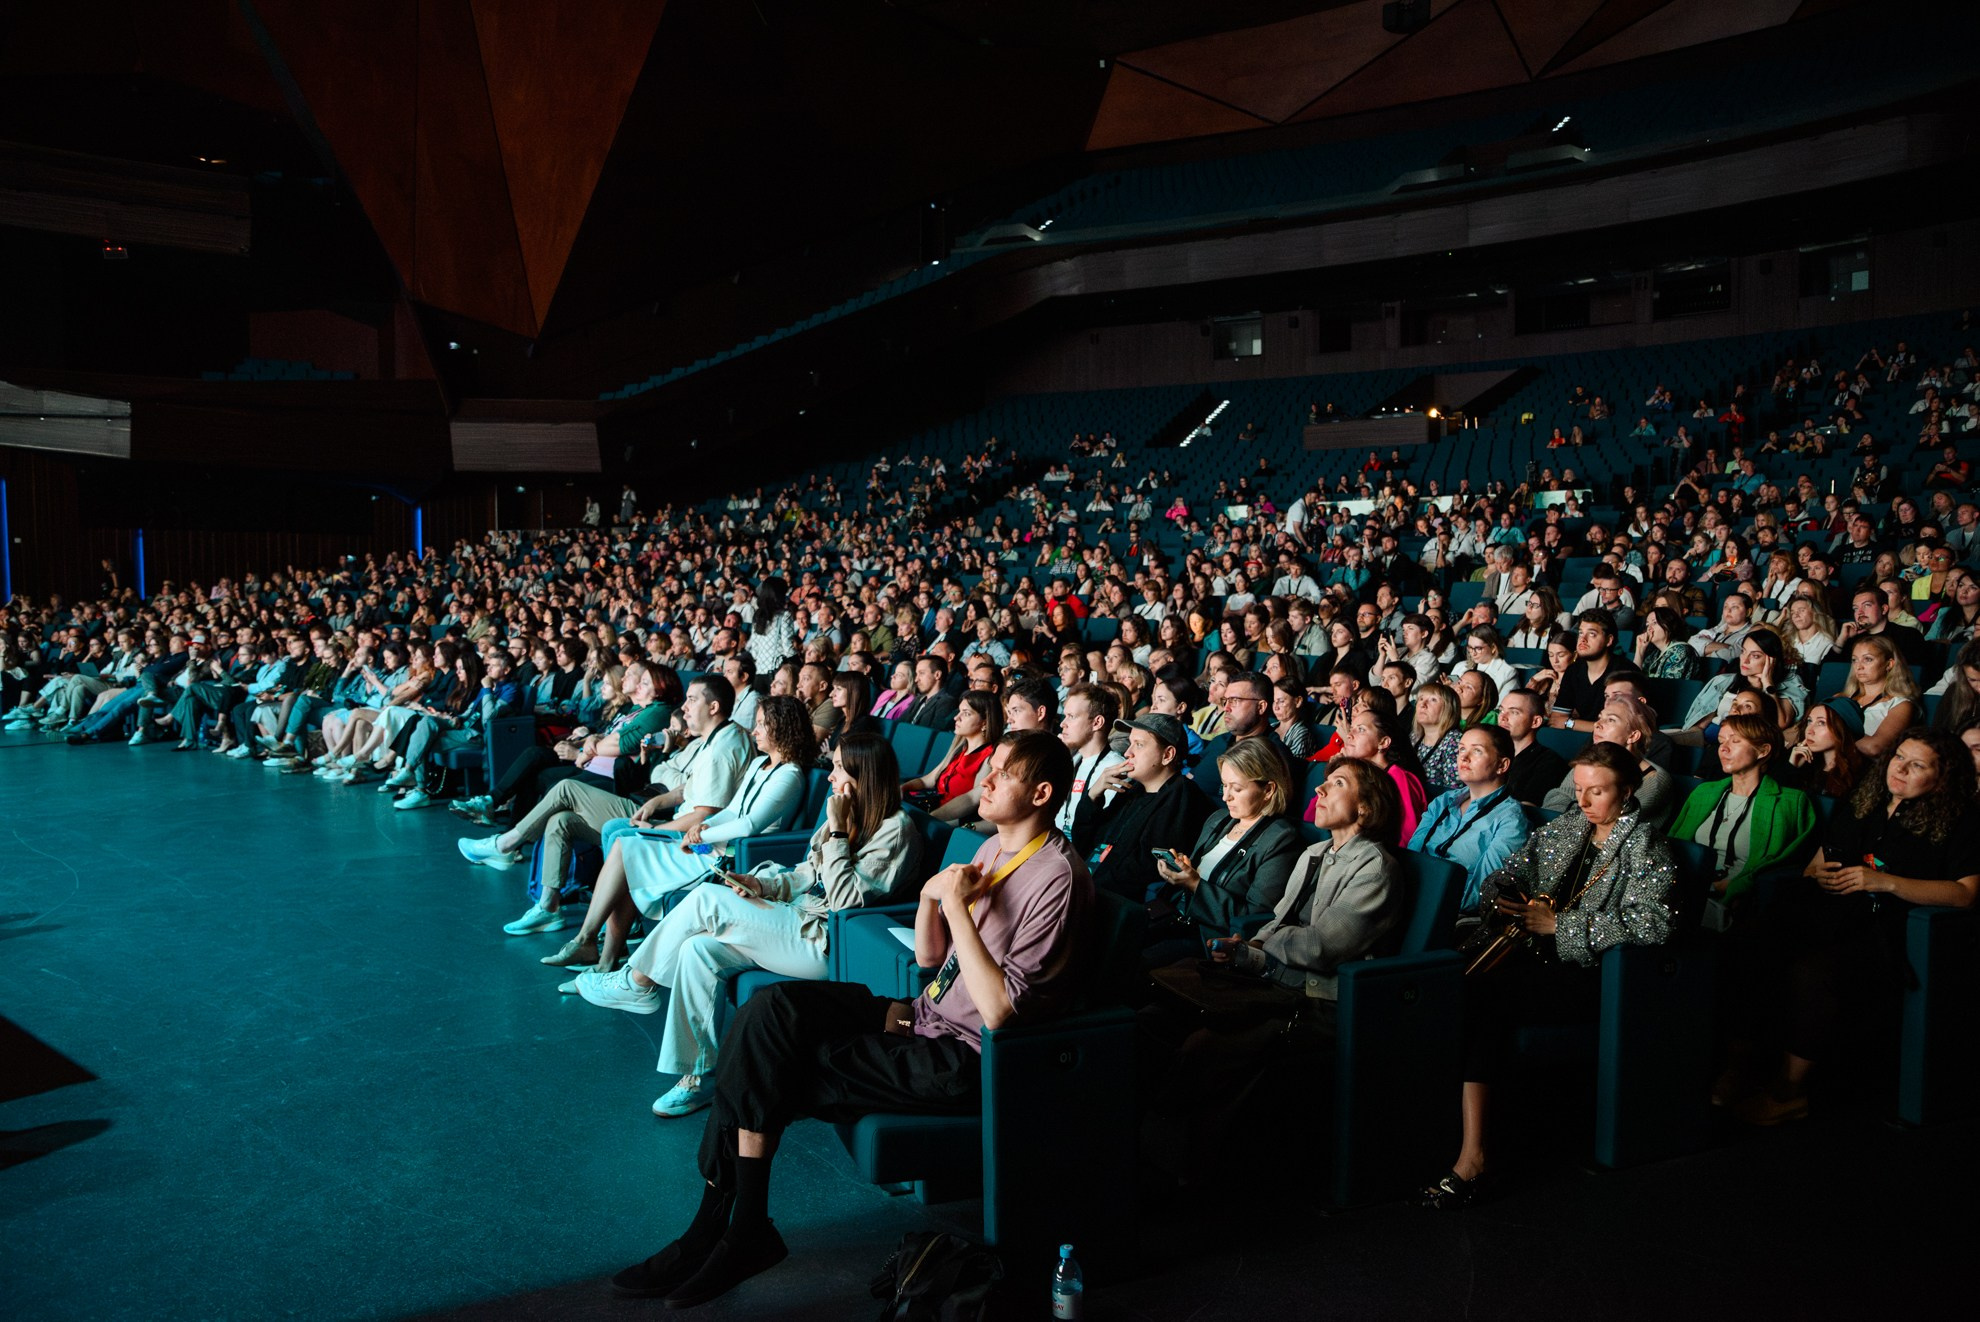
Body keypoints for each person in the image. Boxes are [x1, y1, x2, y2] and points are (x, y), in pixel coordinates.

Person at [604, 731, 1089, 1307]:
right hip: (920, 1015)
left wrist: (953, 903)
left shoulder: (1057, 877)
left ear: (1040, 793)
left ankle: (730, 1229)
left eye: (1002, 773)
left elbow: (1001, 1012)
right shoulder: (988, 850)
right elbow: (933, 960)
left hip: (964, 1059)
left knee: (769, 1061)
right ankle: (723, 1223)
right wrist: (934, 901)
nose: (985, 780)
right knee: (768, 1012)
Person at [570, 734, 921, 1118]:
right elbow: (807, 874)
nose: (831, 777)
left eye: (839, 768)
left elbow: (844, 902)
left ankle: (636, 981)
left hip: (828, 944)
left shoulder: (896, 830)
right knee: (696, 950)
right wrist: (762, 884)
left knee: (707, 899)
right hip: (796, 921)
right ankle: (697, 1077)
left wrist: (837, 832)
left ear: (863, 775)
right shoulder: (848, 812)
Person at [1418, 742, 1677, 1209]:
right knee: (1450, 986)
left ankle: (1473, 1156)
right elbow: (1508, 872)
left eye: (1597, 792)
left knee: (1484, 999)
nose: (1583, 801)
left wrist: (1563, 925)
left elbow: (1655, 922)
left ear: (1629, 790)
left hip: (1589, 974)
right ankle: (1451, 1134)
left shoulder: (1645, 844)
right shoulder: (1569, 826)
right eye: (1578, 789)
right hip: (1530, 956)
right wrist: (1510, 897)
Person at [1143, 757, 1404, 1182]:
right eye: (1322, 782)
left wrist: (1263, 946)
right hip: (1275, 978)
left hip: (1320, 997)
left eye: (1336, 784)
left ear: (1366, 808)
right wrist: (1246, 949)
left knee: (1203, 1046)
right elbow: (1277, 920)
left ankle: (1183, 1166)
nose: (1318, 790)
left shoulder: (1376, 867)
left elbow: (1321, 946)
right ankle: (1152, 1137)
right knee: (1158, 1013)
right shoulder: (1316, 852)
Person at [1730, 729, 1979, 1125]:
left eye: (1917, 766)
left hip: (1893, 928)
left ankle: (1788, 1092)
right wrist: (1818, 873)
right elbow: (1822, 855)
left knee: (1813, 972)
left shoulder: (1961, 819)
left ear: (1942, 776)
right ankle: (1742, 1063)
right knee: (1754, 941)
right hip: (1836, 909)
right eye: (1899, 757)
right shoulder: (1869, 797)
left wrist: (1887, 881)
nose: (1900, 769)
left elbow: (1966, 893)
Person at [502, 695, 815, 941]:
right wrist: (701, 830)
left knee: (623, 841)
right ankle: (597, 938)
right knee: (611, 837)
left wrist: (699, 834)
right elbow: (732, 811)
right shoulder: (760, 764)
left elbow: (748, 825)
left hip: (732, 857)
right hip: (712, 843)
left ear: (783, 728)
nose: (754, 730)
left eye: (762, 724)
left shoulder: (790, 774)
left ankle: (602, 937)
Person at [1146, 737, 1303, 964]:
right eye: (1224, 785)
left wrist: (1194, 884)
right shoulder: (1219, 819)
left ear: (1268, 790)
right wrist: (1184, 870)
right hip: (1175, 917)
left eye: (1237, 789)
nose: (1225, 796)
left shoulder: (1280, 839)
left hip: (1209, 939)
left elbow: (1253, 919)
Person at [1669, 713, 1817, 907]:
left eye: (1735, 741)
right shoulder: (1703, 792)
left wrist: (1728, 886)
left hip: (1733, 900)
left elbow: (1780, 865)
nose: (1723, 748)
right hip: (1682, 887)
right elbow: (1674, 845)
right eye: (1721, 741)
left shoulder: (1790, 802)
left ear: (1763, 751)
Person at [1068, 712, 1213, 902]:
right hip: (1090, 890)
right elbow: (1084, 843)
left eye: (1139, 744)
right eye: (1130, 743)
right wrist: (1093, 796)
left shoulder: (1183, 799)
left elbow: (1141, 874)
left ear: (1167, 755)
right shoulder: (1133, 789)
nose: (1128, 753)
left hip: (1113, 906)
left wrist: (1083, 889)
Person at [1409, 725, 1530, 913]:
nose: (1464, 757)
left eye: (1477, 751)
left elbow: (1480, 894)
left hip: (1447, 910)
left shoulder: (1511, 820)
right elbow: (1411, 857)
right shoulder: (1443, 801)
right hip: (1407, 894)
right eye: (1462, 749)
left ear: (1502, 765)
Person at [1541, 694, 1677, 829]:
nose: (1597, 724)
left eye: (1611, 720)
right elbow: (1557, 799)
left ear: (1633, 736)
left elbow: (1614, 824)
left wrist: (1570, 810)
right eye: (1600, 718)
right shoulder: (1591, 760)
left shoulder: (1655, 781)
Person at [901, 690, 1001, 820]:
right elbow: (927, 780)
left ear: (985, 722)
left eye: (966, 713)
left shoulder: (989, 757)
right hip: (931, 811)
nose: (956, 717)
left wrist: (929, 819)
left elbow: (973, 802)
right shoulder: (959, 749)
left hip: (946, 821)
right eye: (959, 711)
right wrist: (903, 787)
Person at [1836, 634, 1919, 760]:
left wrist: (1831, 732)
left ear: (1889, 664)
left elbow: (1874, 747)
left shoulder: (1901, 705)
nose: (1859, 667)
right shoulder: (1840, 698)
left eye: (1868, 659)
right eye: (1855, 660)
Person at [1550, 610, 1639, 723]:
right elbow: (1555, 720)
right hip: (1581, 737)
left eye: (1592, 634)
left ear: (1609, 640)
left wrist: (1570, 723)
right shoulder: (1573, 670)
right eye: (1581, 633)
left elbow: (1624, 726)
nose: (1583, 639)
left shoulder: (1626, 672)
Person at [1497, 687, 1569, 805]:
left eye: (1514, 712)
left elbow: (1527, 809)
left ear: (1535, 722)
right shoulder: (1492, 752)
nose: (1502, 717)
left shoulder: (1549, 763)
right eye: (1501, 710)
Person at [1784, 701, 1864, 800]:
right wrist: (1792, 767)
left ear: (1841, 729)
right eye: (1809, 721)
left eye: (1821, 723)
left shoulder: (1859, 775)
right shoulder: (1798, 756)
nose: (1809, 730)